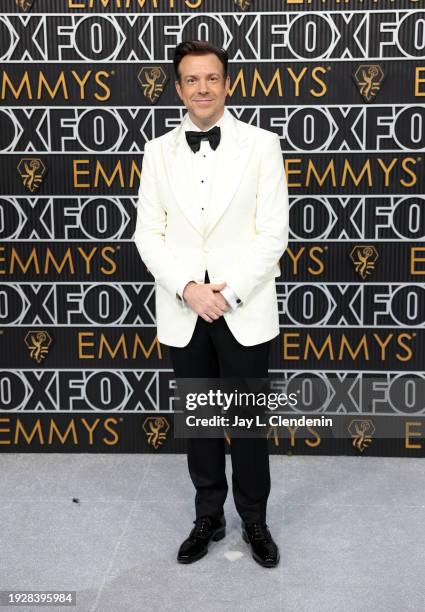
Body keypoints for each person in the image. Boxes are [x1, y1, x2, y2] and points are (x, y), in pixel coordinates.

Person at [134, 40, 289, 568]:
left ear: (227, 83)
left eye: (212, 78)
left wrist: (227, 292)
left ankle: (255, 521)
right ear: (177, 89)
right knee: (198, 425)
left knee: (247, 427)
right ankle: (209, 517)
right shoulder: (157, 151)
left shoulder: (263, 146)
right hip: (184, 309)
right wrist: (188, 289)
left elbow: (274, 233)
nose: (202, 88)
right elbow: (147, 234)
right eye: (191, 80)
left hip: (243, 307)